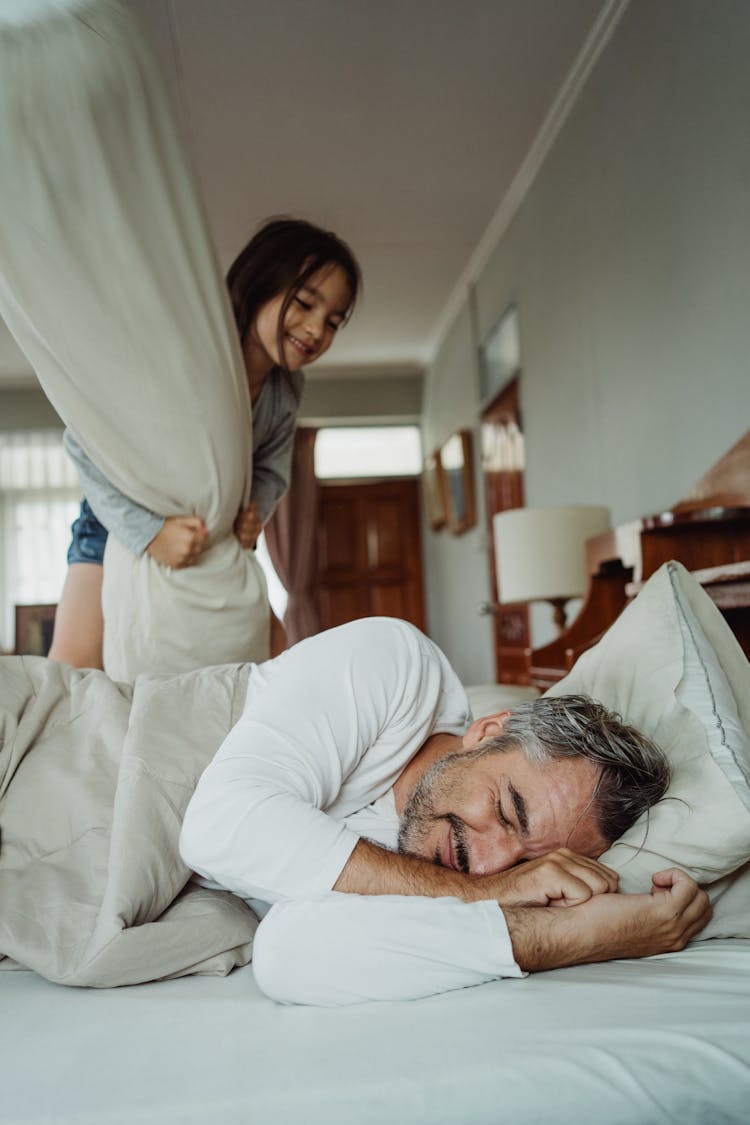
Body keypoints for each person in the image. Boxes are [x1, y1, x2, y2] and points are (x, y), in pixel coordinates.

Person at [178, 615, 712, 1006]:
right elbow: (216, 824)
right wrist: (482, 896)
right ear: (485, 733)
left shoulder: (446, 878)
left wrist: (570, 937)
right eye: (507, 811)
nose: (486, 863)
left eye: (526, 867)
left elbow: (288, 953)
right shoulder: (393, 664)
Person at [48, 217, 362, 669]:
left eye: (332, 321)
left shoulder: (285, 391)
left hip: (211, 535)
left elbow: (271, 470)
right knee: (75, 669)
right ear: (260, 283)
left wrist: (255, 511)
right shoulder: (190, 358)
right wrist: (147, 532)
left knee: (275, 657)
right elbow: (83, 443)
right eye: (306, 304)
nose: (316, 330)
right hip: (117, 517)